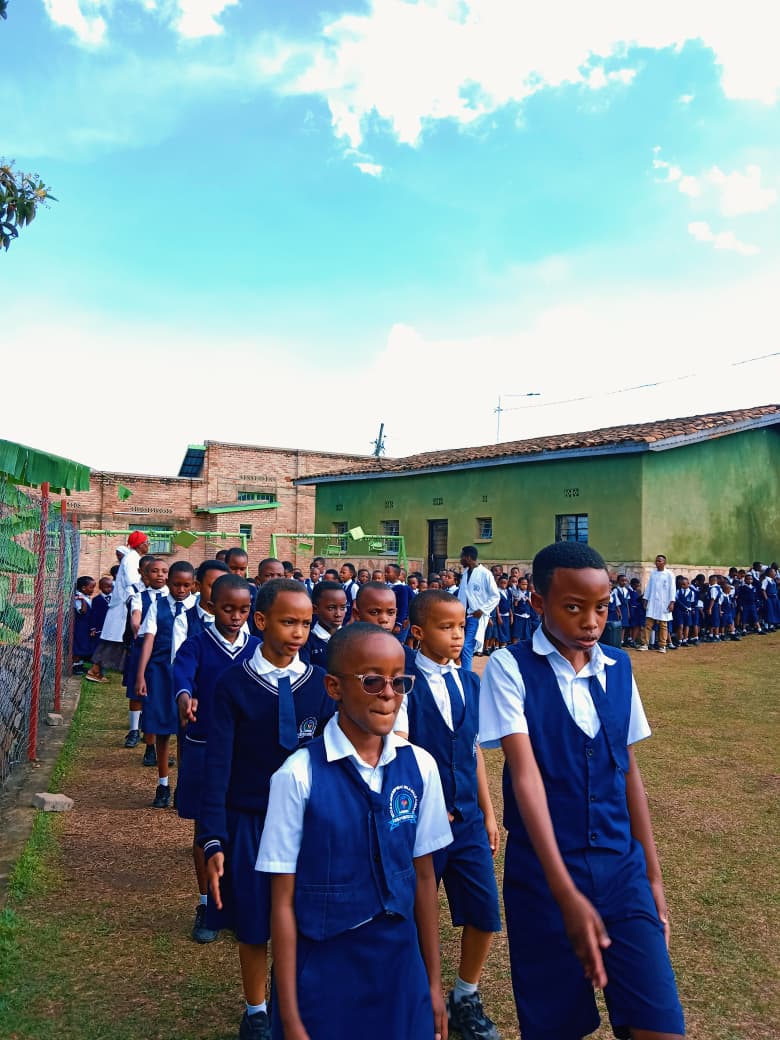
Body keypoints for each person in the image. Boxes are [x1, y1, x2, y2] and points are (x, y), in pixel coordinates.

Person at [480, 542, 684, 1040]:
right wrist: (565, 892)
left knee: (658, 1023)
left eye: (601, 608)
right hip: (544, 877)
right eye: (573, 607)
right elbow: (525, 776)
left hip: (621, 869)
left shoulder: (618, 666)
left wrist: (653, 877)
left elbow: (628, 770)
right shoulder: (510, 667)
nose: (591, 622)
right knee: (556, 1024)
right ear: (538, 602)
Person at [257, 623, 452, 1040]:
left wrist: (433, 984)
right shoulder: (298, 775)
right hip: (326, 969)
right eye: (372, 681)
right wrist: (289, 1016)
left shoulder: (420, 766)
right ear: (334, 687)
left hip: (401, 966)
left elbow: (423, 879)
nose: (389, 694)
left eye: (399, 682)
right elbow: (282, 902)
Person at [199, 579, 335, 1040]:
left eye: (306, 623)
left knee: (304, 918)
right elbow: (217, 766)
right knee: (254, 920)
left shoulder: (320, 684)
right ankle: (256, 1009)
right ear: (260, 621)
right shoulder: (232, 685)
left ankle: (292, 1002)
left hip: (307, 823)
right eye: (288, 622)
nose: (298, 633)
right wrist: (212, 836)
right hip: (251, 821)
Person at [397, 591, 502, 1040]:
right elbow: (400, 751)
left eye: (461, 626)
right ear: (419, 633)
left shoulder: (469, 681)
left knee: (484, 911)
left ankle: (465, 995)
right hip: (422, 826)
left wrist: (489, 812)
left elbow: (473, 750)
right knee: (413, 915)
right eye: (446, 627)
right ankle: (421, 995)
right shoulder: (405, 684)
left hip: (470, 821)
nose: (458, 635)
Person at [174, 573, 260, 943]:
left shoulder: (257, 647)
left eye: (243, 610)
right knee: (205, 826)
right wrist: (184, 698)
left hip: (246, 750)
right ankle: (207, 903)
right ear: (210, 607)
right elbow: (182, 676)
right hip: (204, 745)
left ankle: (237, 902)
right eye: (228, 609)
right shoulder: (196, 645)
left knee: (242, 828)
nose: (236, 616)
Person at [135, 560, 196, 807]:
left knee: (185, 733)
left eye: (186, 585)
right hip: (160, 673)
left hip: (188, 677)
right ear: (168, 583)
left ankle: (183, 785)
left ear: (193, 585)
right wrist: (141, 675)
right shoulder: (157, 605)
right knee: (162, 730)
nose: (181, 590)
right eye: (176, 585)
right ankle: (163, 785)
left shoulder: (197, 608)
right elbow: (148, 639)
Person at [86, 530, 149, 681]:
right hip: (124, 605)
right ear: (140, 545)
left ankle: (97, 671)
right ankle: (95, 671)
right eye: (146, 542)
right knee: (113, 642)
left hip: (124, 605)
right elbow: (133, 582)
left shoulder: (133, 558)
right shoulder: (132, 559)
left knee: (116, 641)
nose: (148, 545)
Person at [124, 557, 168, 752]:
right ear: (146, 575)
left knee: (158, 690)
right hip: (143, 644)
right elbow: (136, 615)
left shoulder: (171, 597)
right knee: (137, 690)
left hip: (163, 647)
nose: (159, 575)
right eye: (155, 571)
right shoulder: (139, 596)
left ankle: (153, 733)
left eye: (164, 572)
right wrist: (137, 626)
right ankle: (134, 729)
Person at [457, 547, 500, 671]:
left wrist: (482, 610)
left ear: (468, 558)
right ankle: (463, 672)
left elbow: (495, 596)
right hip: (462, 616)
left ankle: (467, 675)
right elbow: (462, 595)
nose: (460, 560)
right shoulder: (465, 573)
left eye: (462, 557)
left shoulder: (485, 574)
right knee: (460, 646)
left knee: (467, 647)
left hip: (475, 617)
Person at [636, 555, 675, 654]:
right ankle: (644, 644)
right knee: (648, 624)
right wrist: (645, 599)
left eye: (659, 561)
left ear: (664, 563)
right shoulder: (653, 574)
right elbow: (648, 587)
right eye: (656, 561)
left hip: (664, 603)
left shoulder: (669, 574)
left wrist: (672, 602)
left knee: (663, 625)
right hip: (653, 602)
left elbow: (672, 589)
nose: (657, 562)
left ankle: (662, 646)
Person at [303, 580, 347, 667]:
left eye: (342, 608)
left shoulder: (350, 637)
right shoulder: (307, 641)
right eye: (331, 608)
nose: (338, 614)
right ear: (315, 609)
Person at [72, 576, 97, 674]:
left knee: (84, 644)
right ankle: (75, 666)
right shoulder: (78, 598)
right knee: (78, 645)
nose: (93, 590)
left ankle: (80, 664)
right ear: (83, 588)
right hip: (80, 626)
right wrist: (82, 600)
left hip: (85, 626)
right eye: (91, 587)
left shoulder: (84, 596)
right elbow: (82, 611)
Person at [385, 562, 411, 642]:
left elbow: (403, 606)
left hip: (401, 621)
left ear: (397, 575)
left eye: (388, 572)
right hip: (390, 619)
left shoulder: (402, 588)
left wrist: (399, 623)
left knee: (398, 643)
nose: (385, 574)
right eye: (385, 572)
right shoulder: (387, 586)